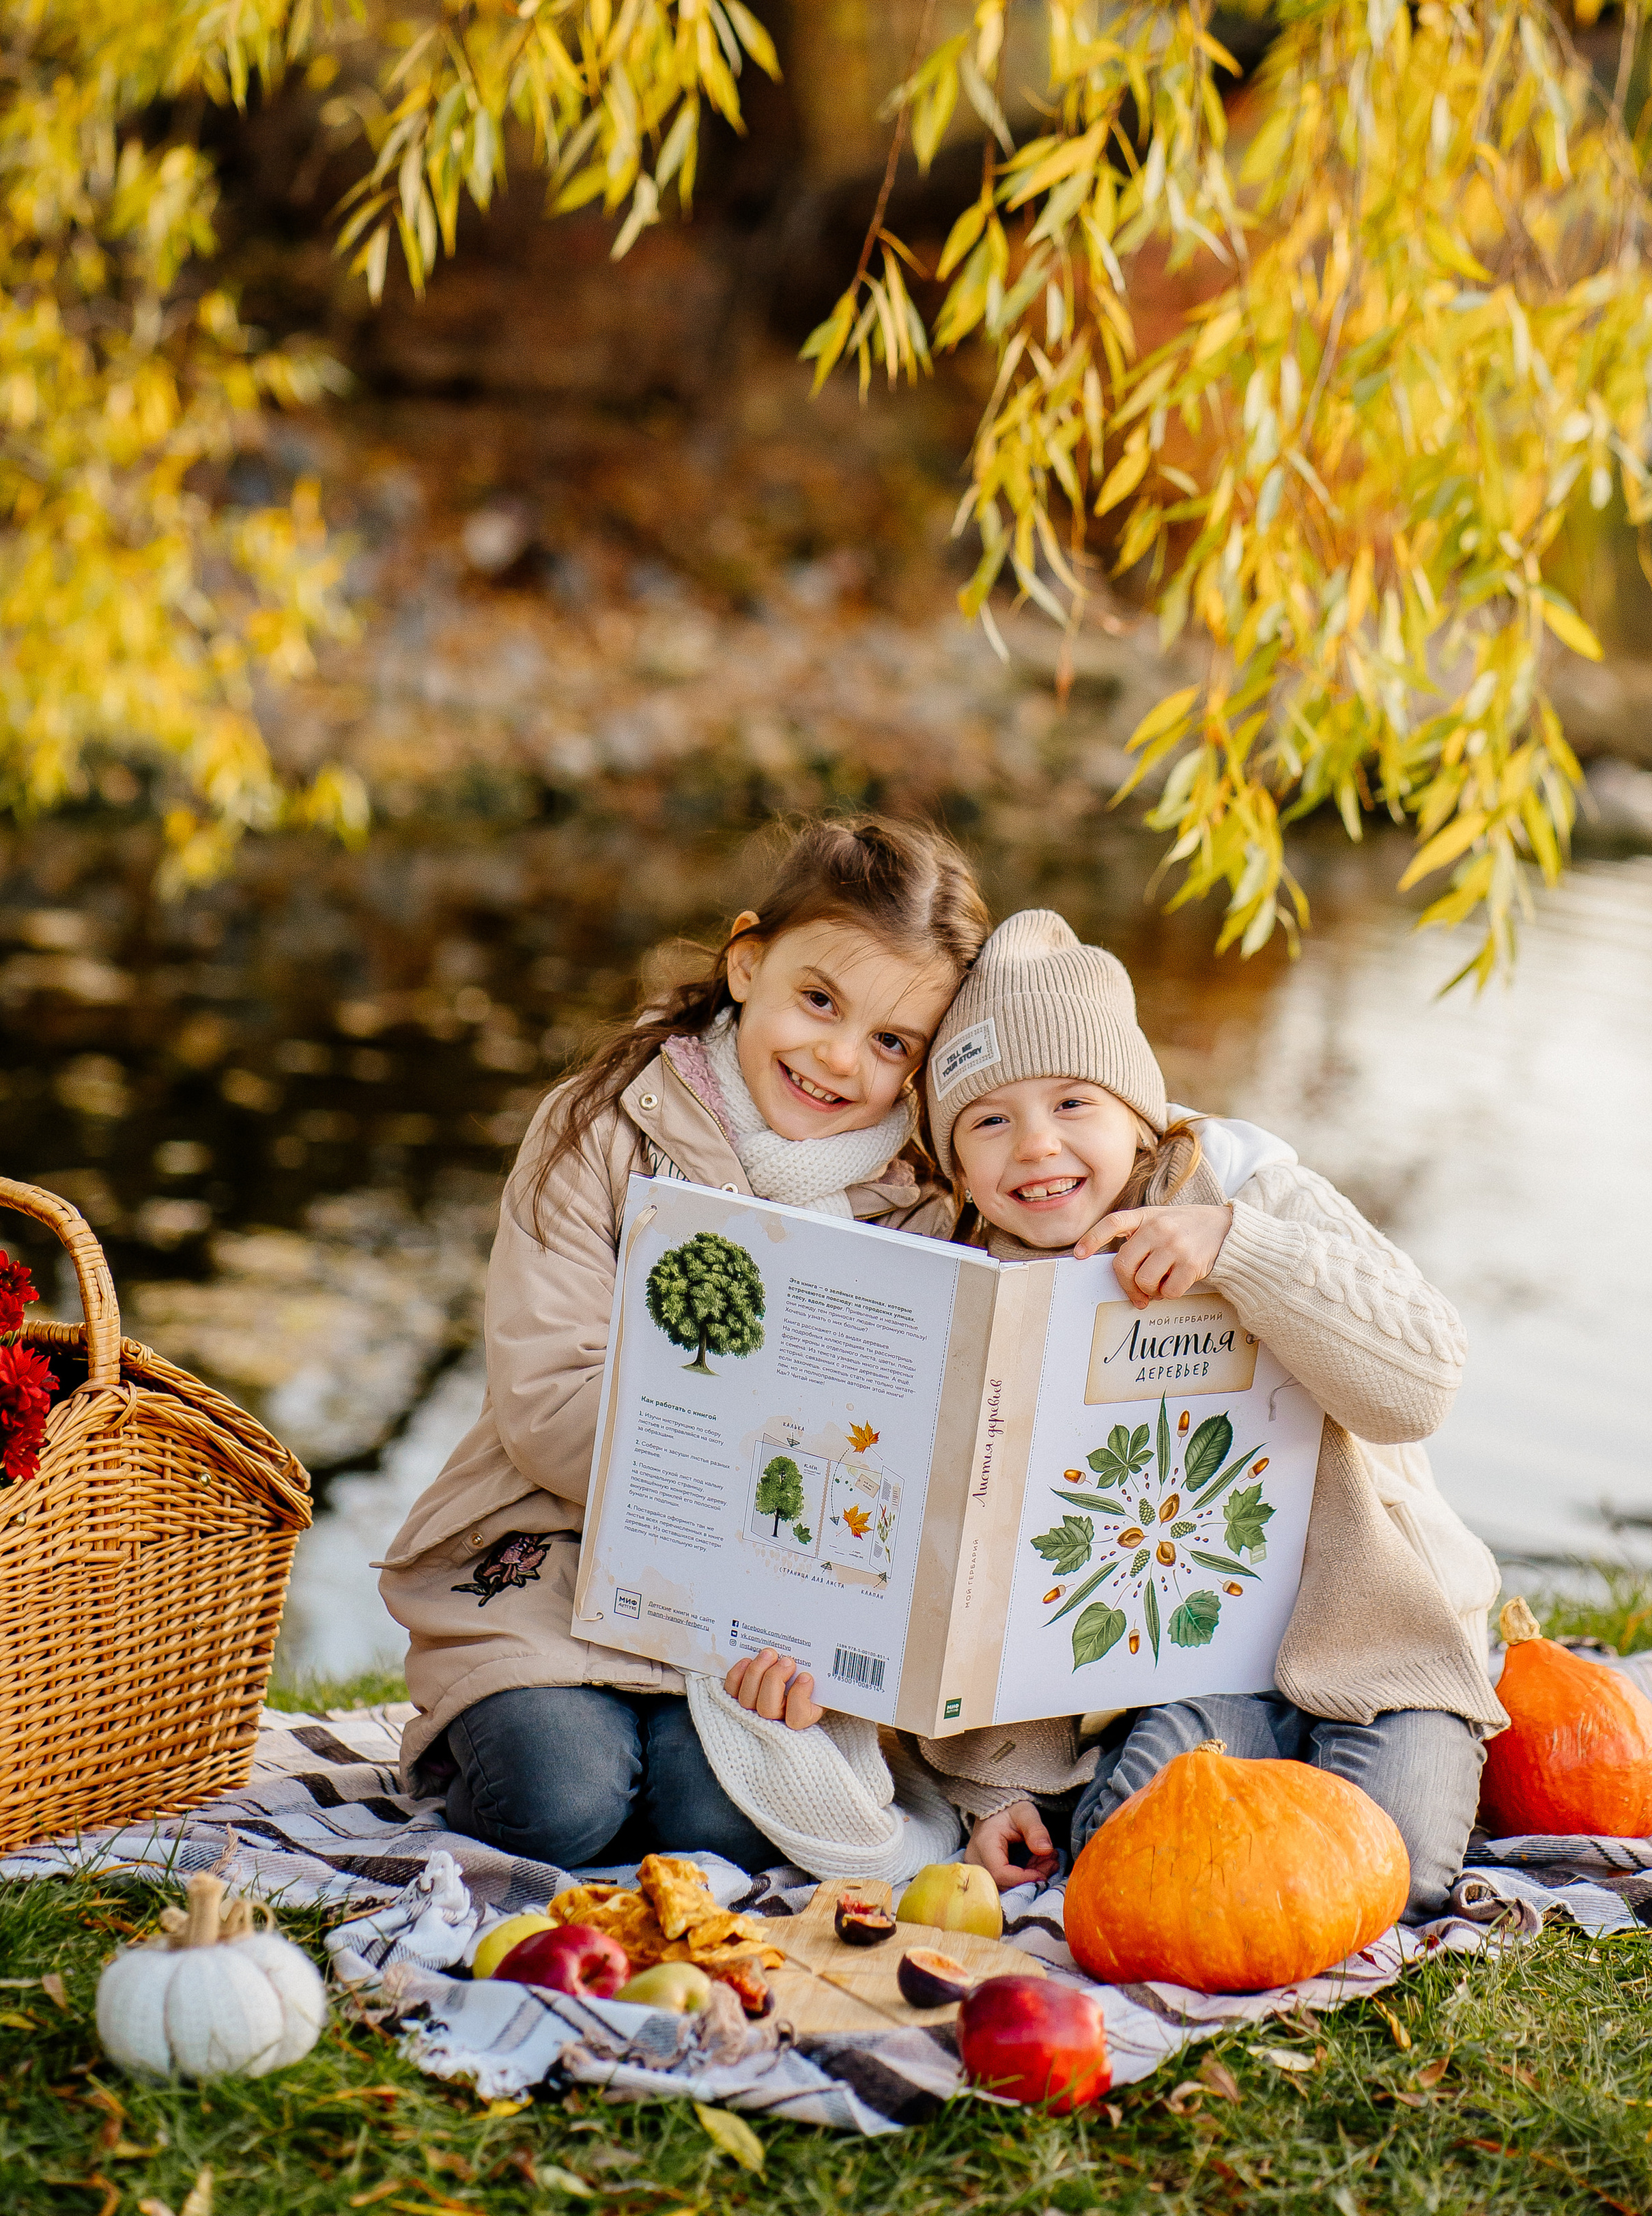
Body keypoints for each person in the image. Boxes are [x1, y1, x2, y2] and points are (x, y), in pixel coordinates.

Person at [378, 816, 987, 1877]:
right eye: (819, 1000)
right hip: (554, 1558)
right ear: (748, 964)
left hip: (766, 1613)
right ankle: (521, 1743)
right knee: (559, 1801)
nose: (841, 1058)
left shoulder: (921, 1210)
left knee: (725, 1820)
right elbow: (547, 1401)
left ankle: (663, 1764)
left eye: (894, 1043)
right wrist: (740, 1467)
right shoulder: (601, 1129)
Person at [911, 908, 1504, 1923]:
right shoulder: (981, 1286)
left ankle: (1360, 1767)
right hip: (1197, 1670)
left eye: (1073, 1101)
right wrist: (993, 1781)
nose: (1038, 1145)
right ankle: (1240, 1771)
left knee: (1393, 1873)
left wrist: (1240, 1248)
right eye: (989, 1121)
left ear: (1139, 1113)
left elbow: (1423, 1383)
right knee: (1121, 1857)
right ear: (957, 1163)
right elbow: (976, 1563)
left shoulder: (1245, 1185)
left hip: (1372, 1633)